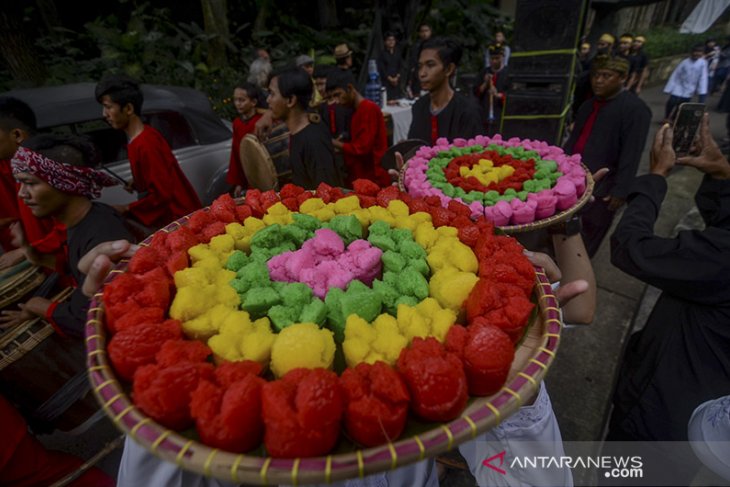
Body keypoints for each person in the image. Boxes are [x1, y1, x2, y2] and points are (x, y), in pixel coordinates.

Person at [604, 117, 730, 485]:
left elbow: (632, 247)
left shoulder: (721, 258)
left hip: (659, 417)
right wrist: (721, 176)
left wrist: (655, 178)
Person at [0, 134, 133, 336]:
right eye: (20, 184)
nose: (22, 194)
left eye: (30, 183)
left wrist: (36, 305)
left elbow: (85, 320)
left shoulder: (102, 238)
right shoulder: (83, 221)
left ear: (65, 183)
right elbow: (72, 266)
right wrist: (29, 250)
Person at [564, 55, 651, 257]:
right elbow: (572, 141)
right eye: (596, 75)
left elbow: (633, 152)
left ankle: (581, 268)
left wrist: (621, 190)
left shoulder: (635, 110)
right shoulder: (588, 105)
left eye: (606, 76)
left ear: (623, 78)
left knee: (592, 229)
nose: (599, 81)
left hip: (605, 184)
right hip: (574, 177)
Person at [95, 74, 202, 232]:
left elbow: (162, 195)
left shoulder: (146, 144)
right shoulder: (144, 136)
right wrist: (138, 182)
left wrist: (127, 208)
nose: (105, 114)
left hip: (177, 219)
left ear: (129, 109)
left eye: (109, 107)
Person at [0, 97, 65, 271]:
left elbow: (71, 223)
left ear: (17, 135)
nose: (22, 193)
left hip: (68, 266)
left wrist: (25, 250)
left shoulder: (44, 166)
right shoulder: (17, 166)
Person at [267, 68, 343, 189]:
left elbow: (327, 195)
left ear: (291, 100)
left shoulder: (314, 141)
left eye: (272, 94)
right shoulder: (297, 132)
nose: (268, 100)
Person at [407, 37, 482, 143]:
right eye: (420, 66)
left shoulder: (467, 112)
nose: (422, 73)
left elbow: (473, 156)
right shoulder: (419, 107)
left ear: (448, 69)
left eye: (430, 65)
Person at [327, 70, 390, 188]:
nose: (336, 101)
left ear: (350, 88)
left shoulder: (368, 109)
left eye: (337, 95)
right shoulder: (354, 110)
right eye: (332, 97)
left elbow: (362, 148)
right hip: (361, 176)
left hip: (373, 178)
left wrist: (334, 143)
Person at [227, 81, 265, 197]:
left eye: (242, 100)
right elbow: (236, 153)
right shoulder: (237, 123)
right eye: (236, 100)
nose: (238, 104)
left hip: (263, 171)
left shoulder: (262, 121)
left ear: (253, 102)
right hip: (248, 174)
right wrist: (239, 183)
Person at [663, 44, 708, 122]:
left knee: (682, 105)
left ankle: (674, 118)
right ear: (692, 52)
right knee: (672, 101)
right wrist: (669, 88)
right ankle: (666, 116)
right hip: (678, 85)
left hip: (690, 87)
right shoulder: (685, 62)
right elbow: (676, 74)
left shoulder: (702, 63)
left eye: (699, 52)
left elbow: (703, 78)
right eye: (695, 51)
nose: (697, 54)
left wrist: (702, 92)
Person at [474, 44, 509, 136]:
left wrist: (498, 95)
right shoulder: (484, 72)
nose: (494, 61)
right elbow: (476, 92)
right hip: (484, 112)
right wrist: (485, 83)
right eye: (492, 58)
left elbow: (511, 93)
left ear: (502, 57)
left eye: (497, 58)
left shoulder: (508, 73)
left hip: (500, 113)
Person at [406, 23, 433, 98]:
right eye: (422, 31)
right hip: (418, 75)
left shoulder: (435, 46)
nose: (424, 33)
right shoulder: (416, 46)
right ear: (419, 33)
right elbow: (413, 62)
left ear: (430, 31)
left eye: (426, 31)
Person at [378, 31, 403, 101]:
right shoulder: (382, 54)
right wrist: (390, 79)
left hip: (397, 81)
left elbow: (400, 66)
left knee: (397, 100)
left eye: (393, 40)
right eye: (389, 40)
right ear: (385, 42)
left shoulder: (398, 53)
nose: (391, 42)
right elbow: (381, 69)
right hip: (386, 82)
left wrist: (397, 77)